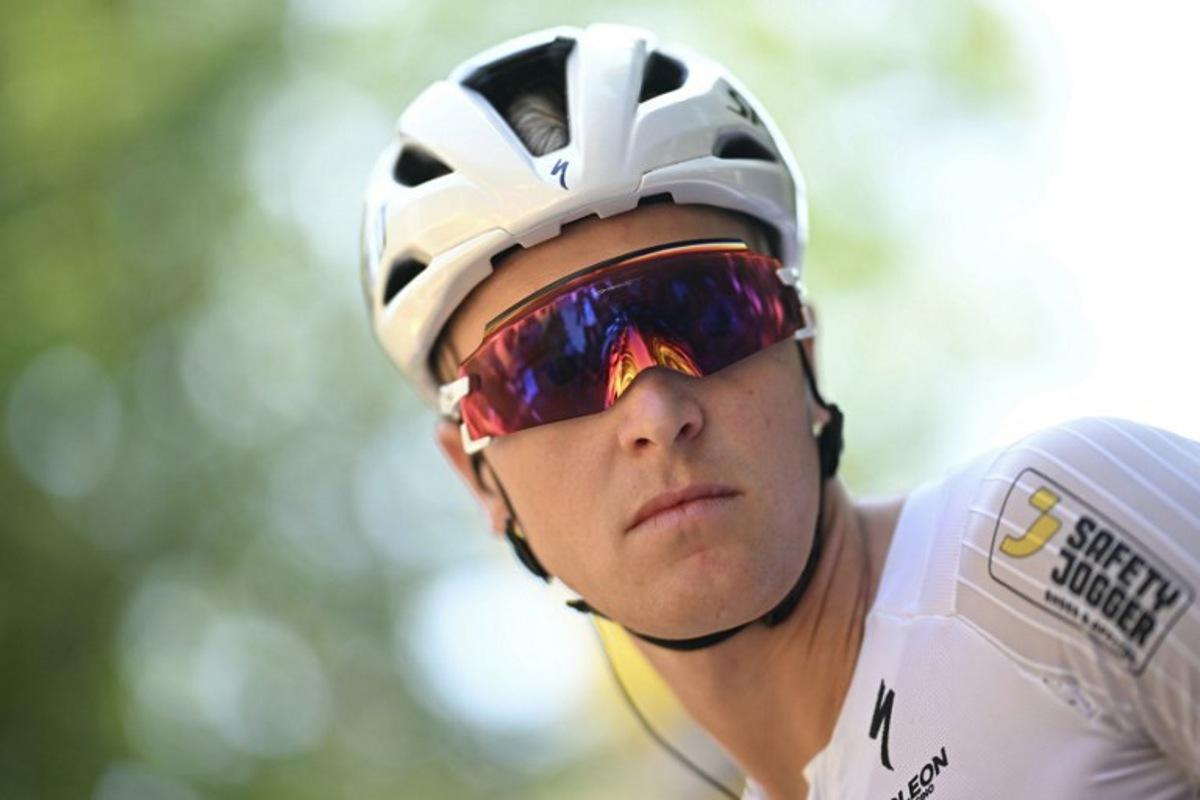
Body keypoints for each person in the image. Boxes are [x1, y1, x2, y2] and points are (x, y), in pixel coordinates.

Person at [359, 23, 1200, 800]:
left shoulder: (1046, 537)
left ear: (803, 348)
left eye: (707, 309)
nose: (653, 406)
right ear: (478, 479)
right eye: (548, 365)